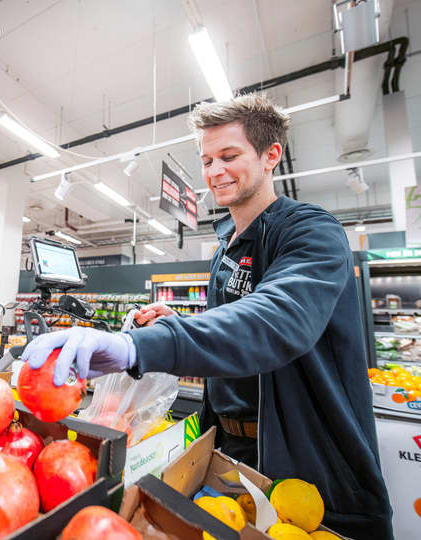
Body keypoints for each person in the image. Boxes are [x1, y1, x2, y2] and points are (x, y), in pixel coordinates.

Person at [21, 93, 392, 539]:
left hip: (312, 468)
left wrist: (136, 346)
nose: (214, 172)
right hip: (231, 453)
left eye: (229, 156)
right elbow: (231, 324)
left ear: (271, 155)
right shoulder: (226, 248)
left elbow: (275, 320)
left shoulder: (313, 233)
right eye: (207, 160)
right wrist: (173, 320)